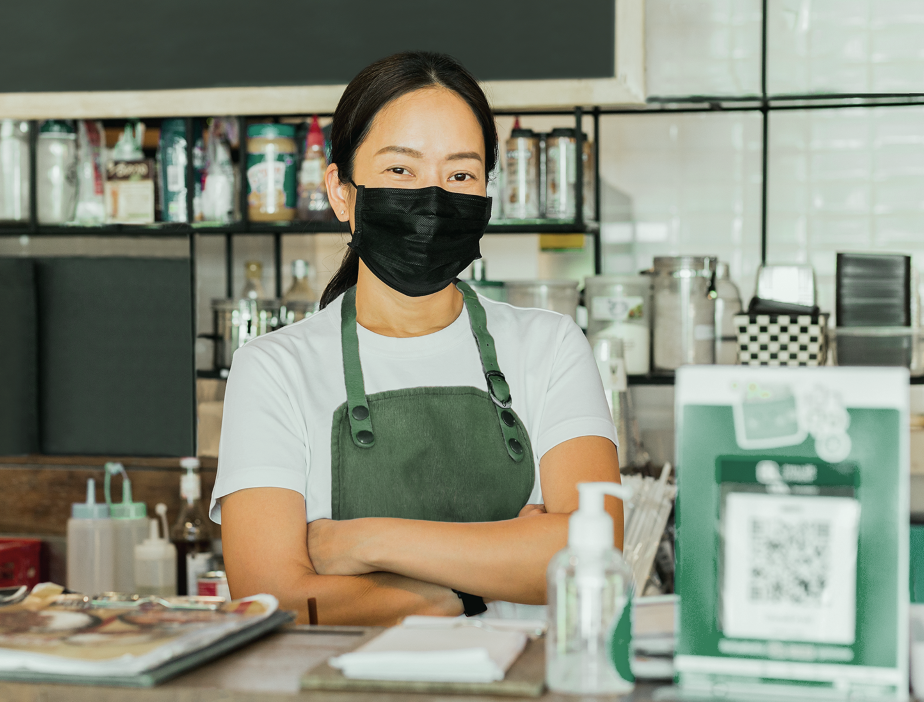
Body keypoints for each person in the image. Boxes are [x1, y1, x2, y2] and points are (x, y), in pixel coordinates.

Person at [212, 52, 621, 625]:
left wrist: (360, 543)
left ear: (485, 195)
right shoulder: (274, 368)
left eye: (460, 175)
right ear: (342, 193)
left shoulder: (549, 346)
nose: (432, 199)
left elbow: (591, 556)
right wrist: (473, 591)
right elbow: (273, 598)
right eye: (401, 171)